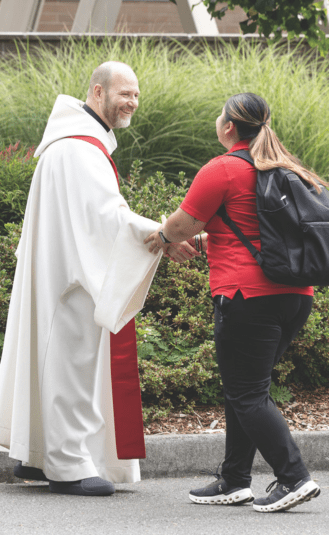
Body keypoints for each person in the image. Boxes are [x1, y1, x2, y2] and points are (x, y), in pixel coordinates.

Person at [0, 61, 198, 496]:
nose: (131, 102)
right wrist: (164, 237)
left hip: (61, 272)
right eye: (124, 93)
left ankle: (39, 455)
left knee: (56, 359)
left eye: (136, 95)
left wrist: (161, 238)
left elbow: (100, 219)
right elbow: (108, 220)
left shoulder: (73, 144)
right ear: (96, 92)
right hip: (71, 283)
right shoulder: (78, 150)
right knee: (72, 360)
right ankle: (67, 463)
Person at [144, 92, 325, 513]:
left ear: (229, 127)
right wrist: (205, 241)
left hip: (247, 296)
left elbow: (179, 223)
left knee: (246, 391)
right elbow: (255, 229)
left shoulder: (223, 168)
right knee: (245, 388)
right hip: (296, 296)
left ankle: (293, 476)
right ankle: (234, 479)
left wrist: (162, 240)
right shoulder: (285, 166)